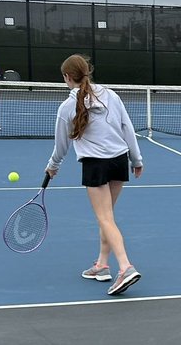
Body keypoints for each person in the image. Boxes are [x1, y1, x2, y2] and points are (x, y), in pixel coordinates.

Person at [46, 54, 144, 296]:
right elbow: (127, 127)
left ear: (67, 77)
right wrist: (136, 159)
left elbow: (61, 146)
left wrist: (52, 166)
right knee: (107, 216)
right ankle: (102, 265)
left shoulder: (66, 107)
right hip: (119, 162)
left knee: (105, 218)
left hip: (96, 165)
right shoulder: (110, 95)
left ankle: (126, 267)